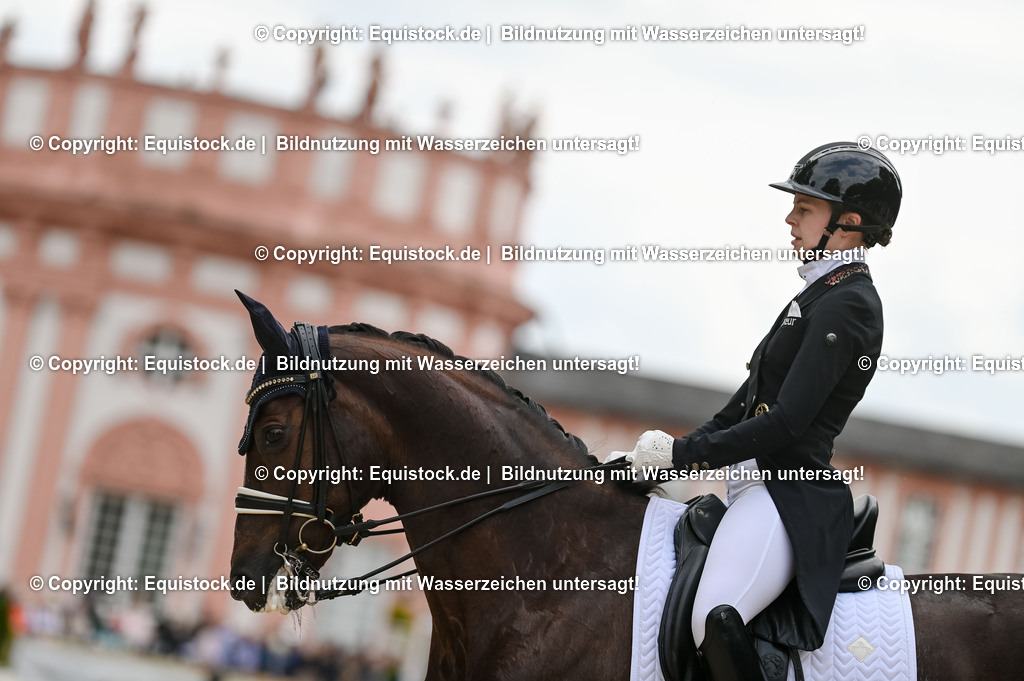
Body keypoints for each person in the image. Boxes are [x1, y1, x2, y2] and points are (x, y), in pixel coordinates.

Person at [612, 142, 902, 680]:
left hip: (789, 496)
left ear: (850, 222)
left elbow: (786, 423)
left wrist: (680, 456)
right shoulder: (815, 296)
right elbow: (741, 409)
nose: (789, 219)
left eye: (805, 208)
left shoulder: (850, 303)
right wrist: (659, 458)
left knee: (713, 616)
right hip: (753, 488)